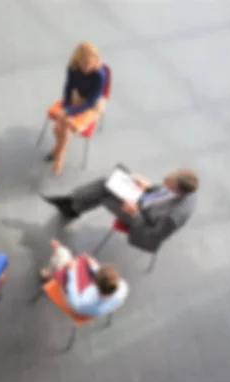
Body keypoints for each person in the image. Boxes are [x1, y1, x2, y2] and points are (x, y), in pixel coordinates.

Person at [42, 167, 199, 252]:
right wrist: (150, 187)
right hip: (144, 201)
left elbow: (151, 240)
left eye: (168, 181)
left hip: (142, 220)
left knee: (105, 196)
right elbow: (165, 194)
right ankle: (72, 205)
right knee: (108, 182)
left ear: (177, 189)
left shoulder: (173, 217)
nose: (164, 180)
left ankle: (72, 205)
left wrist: (135, 214)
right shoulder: (184, 190)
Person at [46, 42, 107, 175]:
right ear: (77, 60)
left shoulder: (99, 74)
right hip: (76, 98)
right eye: (83, 63)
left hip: (92, 105)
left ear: (96, 60)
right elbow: (68, 88)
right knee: (57, 127)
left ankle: (58, 154)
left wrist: (69, 112)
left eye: (90, 63)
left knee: (66, 124)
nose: (87, 67)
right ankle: (59, 152)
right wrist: (67, 107)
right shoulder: (72, 68)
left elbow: (91, 102)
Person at [44, 239, 129, 317]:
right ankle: (49, 273)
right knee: (79, 264)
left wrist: (72, 271)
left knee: (63, 256)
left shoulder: (82, 302)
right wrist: (95, 267)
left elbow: (72, 292)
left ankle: (48, 274)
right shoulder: (122, 286)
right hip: (98, 307)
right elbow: (104, 279)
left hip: (77, 305)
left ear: (95, 283)